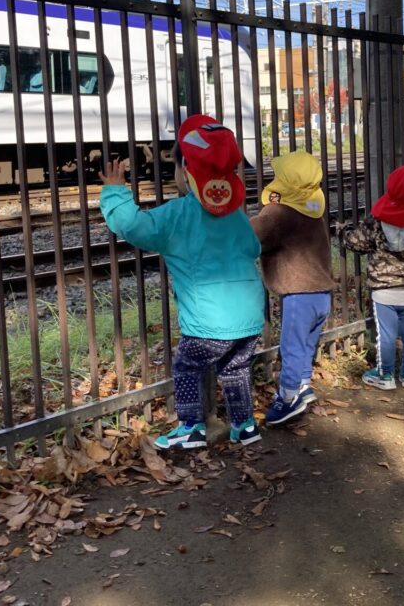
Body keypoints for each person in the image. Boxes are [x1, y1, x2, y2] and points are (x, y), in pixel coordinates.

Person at [99, 115, 265, 449]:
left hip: (208, 321)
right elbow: (253, 247)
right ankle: (245, 426)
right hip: (250, 316)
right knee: (236, 368)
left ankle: (191, 426)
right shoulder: (236, 215)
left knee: (188, 366)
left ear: (186, 172)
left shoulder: (177, 215)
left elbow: (133, 227)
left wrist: (116, 191)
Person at [251, 150, 336, 425]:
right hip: (322, 294)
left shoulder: (279, 212)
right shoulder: (312, 208)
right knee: (306, 345)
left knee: (292, 347)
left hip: (299, 295)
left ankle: (287, 399)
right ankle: (302, 386)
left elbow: (254, 236)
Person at [339, 165, 404, 390]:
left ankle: (385, 376)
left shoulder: (376, 222)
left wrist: (343, 231)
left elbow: (355, 242)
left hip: (384, 291)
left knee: (386, 336)